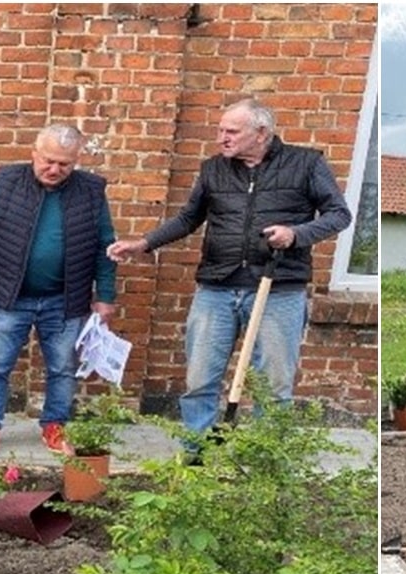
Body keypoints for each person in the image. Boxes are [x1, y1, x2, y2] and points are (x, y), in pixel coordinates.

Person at [106, 97, 351, 443]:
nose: (222, 137)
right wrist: (144, 244)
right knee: (200, 377)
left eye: (231, 131)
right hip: (216, 289)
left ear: (261, 133)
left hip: (278, 289)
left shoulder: (306, 164)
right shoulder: (213, 169)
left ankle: (265, 458)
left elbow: (339, 214)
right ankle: (194, 455)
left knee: (273, 385)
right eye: (220, 130)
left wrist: (295, 234)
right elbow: (189, 218)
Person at [0, 124, 116, 458]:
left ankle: (54, 424)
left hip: (65, 298)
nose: (54, 169)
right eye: (48, 160)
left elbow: (106, 245)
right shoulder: (6, 183)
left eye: (64, 164)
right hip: (8, 295)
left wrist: (105, 295)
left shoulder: (91, 191)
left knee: (61, 367)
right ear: (34, 153)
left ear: (75, 162)